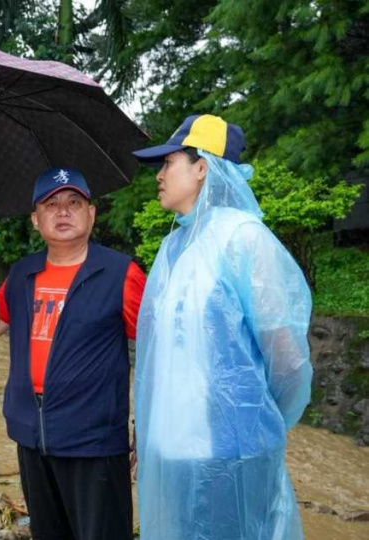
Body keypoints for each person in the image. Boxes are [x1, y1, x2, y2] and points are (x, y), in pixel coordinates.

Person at [131, 114, 313, 539]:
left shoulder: (243, 239)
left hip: (231, 456)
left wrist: (253, 428)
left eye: (168, 163)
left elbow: (287, 362)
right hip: (171, 452)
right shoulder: (173, 247)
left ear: (202, 167)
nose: (158, 176)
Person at [0, 167, 146, 540]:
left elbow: (156, 349)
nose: (63, 211)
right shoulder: (23, 274)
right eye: (52, 204)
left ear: (91, 213)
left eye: (74, 202)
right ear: (35, 219)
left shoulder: (120, 274)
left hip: (94, 442)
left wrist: (147, 427)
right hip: (33, 437)